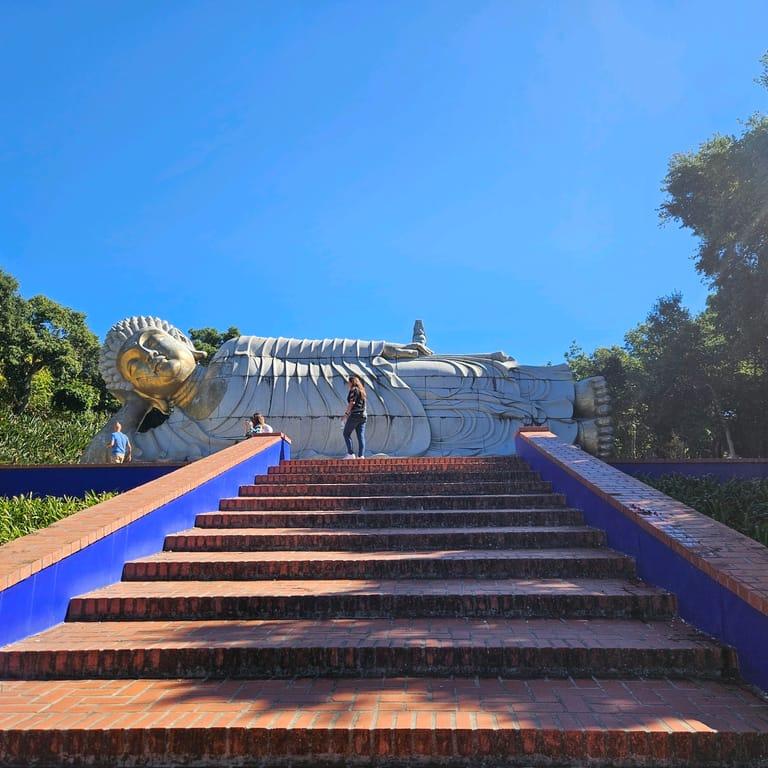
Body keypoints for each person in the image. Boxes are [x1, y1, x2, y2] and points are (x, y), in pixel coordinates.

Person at [342, 375, 367, 459]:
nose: (348, 384)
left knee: (346, 433)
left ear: (351, 382)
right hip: (363, 415)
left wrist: (346, 414)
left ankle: (350, 453)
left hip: (355, 415)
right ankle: (361, 455)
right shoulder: (362, 391)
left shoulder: (353, 390)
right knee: (361, 436)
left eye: (348, 383)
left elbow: (352, 403)